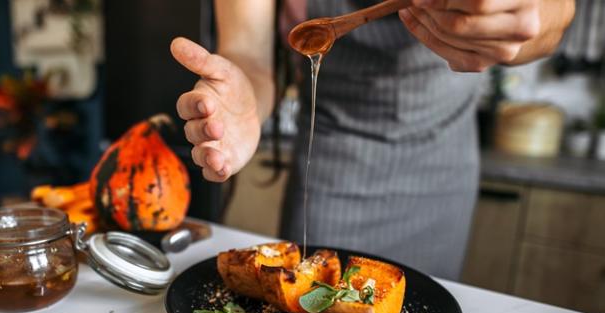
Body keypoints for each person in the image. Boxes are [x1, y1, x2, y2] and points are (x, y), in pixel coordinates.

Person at [170, 0, 575, 279]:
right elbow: (248, 54)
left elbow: (553, 16)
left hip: (439, 159)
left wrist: (523, 19)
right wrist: (243, 100)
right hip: (331, 161)